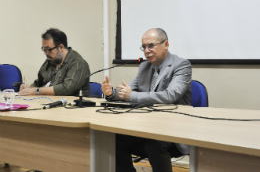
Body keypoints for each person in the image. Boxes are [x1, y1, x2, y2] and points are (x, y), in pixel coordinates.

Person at [102, 28, 192, 172]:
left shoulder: (181, 65)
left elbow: (170, 95)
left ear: (166, 44)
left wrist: (131, 95)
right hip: (148, 126)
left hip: (173, 129)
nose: (146, 50)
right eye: (144, 47)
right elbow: (129, 91)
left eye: (151, 45)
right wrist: (112, 93)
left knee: (154, 144)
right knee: (115, 137)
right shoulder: (144, 66)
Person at [19, 28, 90, 96]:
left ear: (61, 47)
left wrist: (36, 91)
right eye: (44, 49)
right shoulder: (50, 61)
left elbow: (66, 89)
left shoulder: (78, 63)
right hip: (46, 103)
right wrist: (29, 88)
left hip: (71, 106)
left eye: (48, 49)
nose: (45, 53)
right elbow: (38, 83)